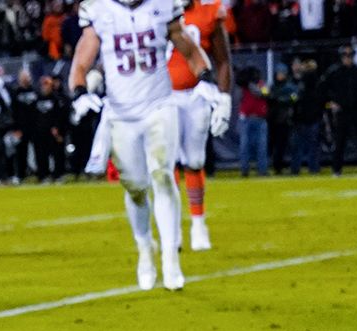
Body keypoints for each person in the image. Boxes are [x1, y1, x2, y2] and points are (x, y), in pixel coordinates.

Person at [68, 0, 211, 291]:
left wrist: (205, 79)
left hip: (160, 105)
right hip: (121, 113)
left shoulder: (163, 5)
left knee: (163, 175)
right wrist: (79, 92)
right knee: (135, 187)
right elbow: (82, 60)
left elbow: (188, 47)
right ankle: (145, 247)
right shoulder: (98, 9)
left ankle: (171, 259)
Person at [168, 0, 232, 251]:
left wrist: (224, 98)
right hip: (163, 95)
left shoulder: (207, 9)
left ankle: (198, 222)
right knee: (166, 162)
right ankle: (170, 226)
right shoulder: (154, 9)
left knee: (194, 160)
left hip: (197, 94)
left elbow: (223, 60)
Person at [323, 46, 357, 175]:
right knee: (340, 141)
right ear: (341, 57)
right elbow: (322, 88)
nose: (348, 59)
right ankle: (337, 169)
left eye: (350, 56)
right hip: (342, 111)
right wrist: (330, 102)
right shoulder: (334, 72)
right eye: (345, 56)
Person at [236, 69, 269, 176]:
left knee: (261, 146)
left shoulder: (261, 84)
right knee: (244, 146)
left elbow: (263, 93)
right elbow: (238, 96)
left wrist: (250, 84)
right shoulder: (243, 86)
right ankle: (244, 170)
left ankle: (262, 170)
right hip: (246, 118)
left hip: (260, 118)